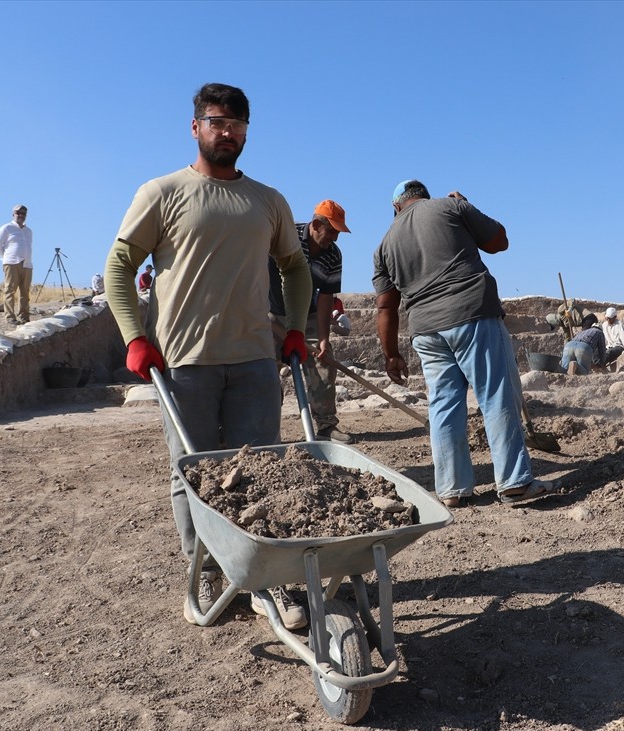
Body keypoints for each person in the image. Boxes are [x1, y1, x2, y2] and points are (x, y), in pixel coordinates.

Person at [103, 82, 313, 628]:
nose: (228, 133)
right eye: (217, 122)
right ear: (195, 127)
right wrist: (134, 336)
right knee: (192, 473)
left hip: (252, 361)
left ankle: (269, 580)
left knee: (262, 471)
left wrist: (294, 328)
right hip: (183, 362)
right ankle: (209, 571)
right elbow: (120, 267)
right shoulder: (163, 192)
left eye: (238, 124)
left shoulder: (268, 201)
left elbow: (294, 267)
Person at [373, 180, 554, 508]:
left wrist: (391, 355)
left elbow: (385, 306)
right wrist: (468, 206)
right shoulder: (450, 206)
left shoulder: (384, 244)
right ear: (423, 198)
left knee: (443, 406)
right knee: (495, 394)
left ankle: (453, 490)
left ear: (396, 208)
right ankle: (514, 483)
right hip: (471, 314)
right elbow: (499, 241)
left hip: (426, 331)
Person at [268, 199, 355, 443]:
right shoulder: (286, 235)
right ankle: (268, 431)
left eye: (338, 233)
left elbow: (327, 298)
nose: (334, 239)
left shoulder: (333, 255)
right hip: (272, 313)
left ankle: (326, 426)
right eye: (331, 232)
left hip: (309, 314)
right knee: (266, 372)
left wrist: (324, 339)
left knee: (323, 366)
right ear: (316, 224)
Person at [0, 204, 33, 325]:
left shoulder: (28, 231)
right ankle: (10, 317)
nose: (21, 215)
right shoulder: (6, 228)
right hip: (11, 263)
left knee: (25, 291)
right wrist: (6, 257)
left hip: (27, 264)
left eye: (23, 213)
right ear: (13, 214)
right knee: (10, 290)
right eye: (18, 213)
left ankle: (24, 316)